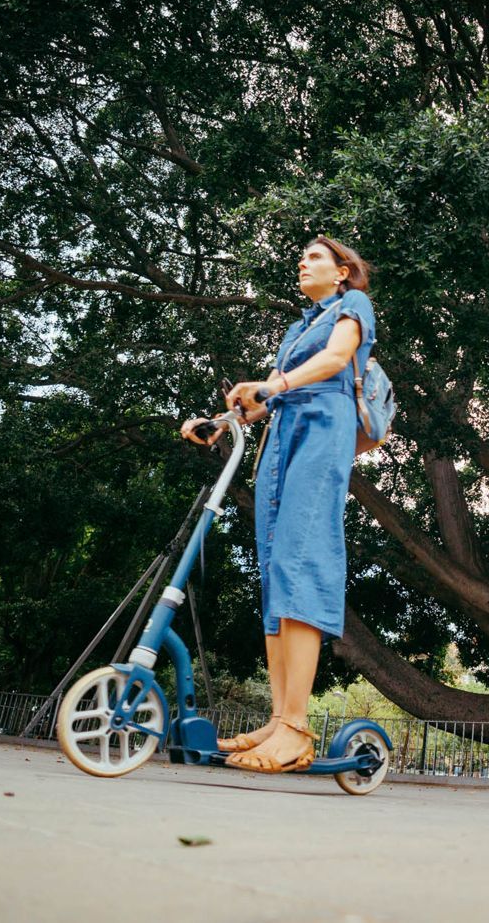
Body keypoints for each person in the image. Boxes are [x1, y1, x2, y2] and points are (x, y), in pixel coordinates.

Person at [181, 236, 377, 774]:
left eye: (315, 257)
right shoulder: (295, 331)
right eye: (303, 257)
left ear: (341, 272)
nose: (302, 262)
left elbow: (338, 359)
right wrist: (217, 424)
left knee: (301, 559)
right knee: (274, 573)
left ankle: (296, 728)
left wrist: (275, 386)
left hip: (321, 432)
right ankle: (278, 719)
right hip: (281, 440)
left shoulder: (351, 306)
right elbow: (264, 402)